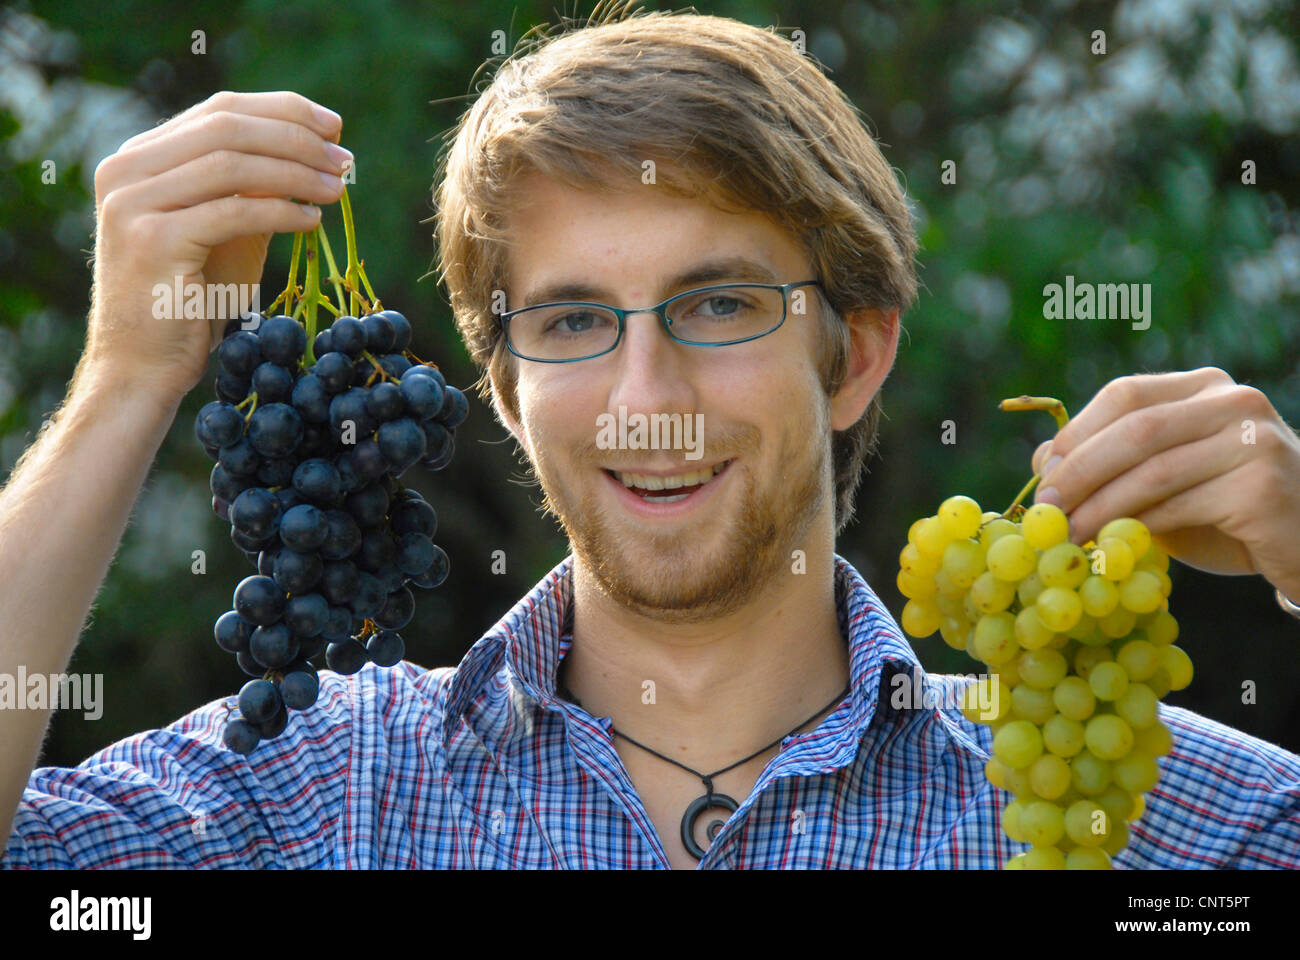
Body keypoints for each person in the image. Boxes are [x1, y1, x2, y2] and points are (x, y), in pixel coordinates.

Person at [2, 8, 1299, 870]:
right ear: (502, 387)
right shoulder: (328, 789)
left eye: (719, 303)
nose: (644, 393)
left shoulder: (1153, 817)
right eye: (571, 319)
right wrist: (126, 381)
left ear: (854, 353)